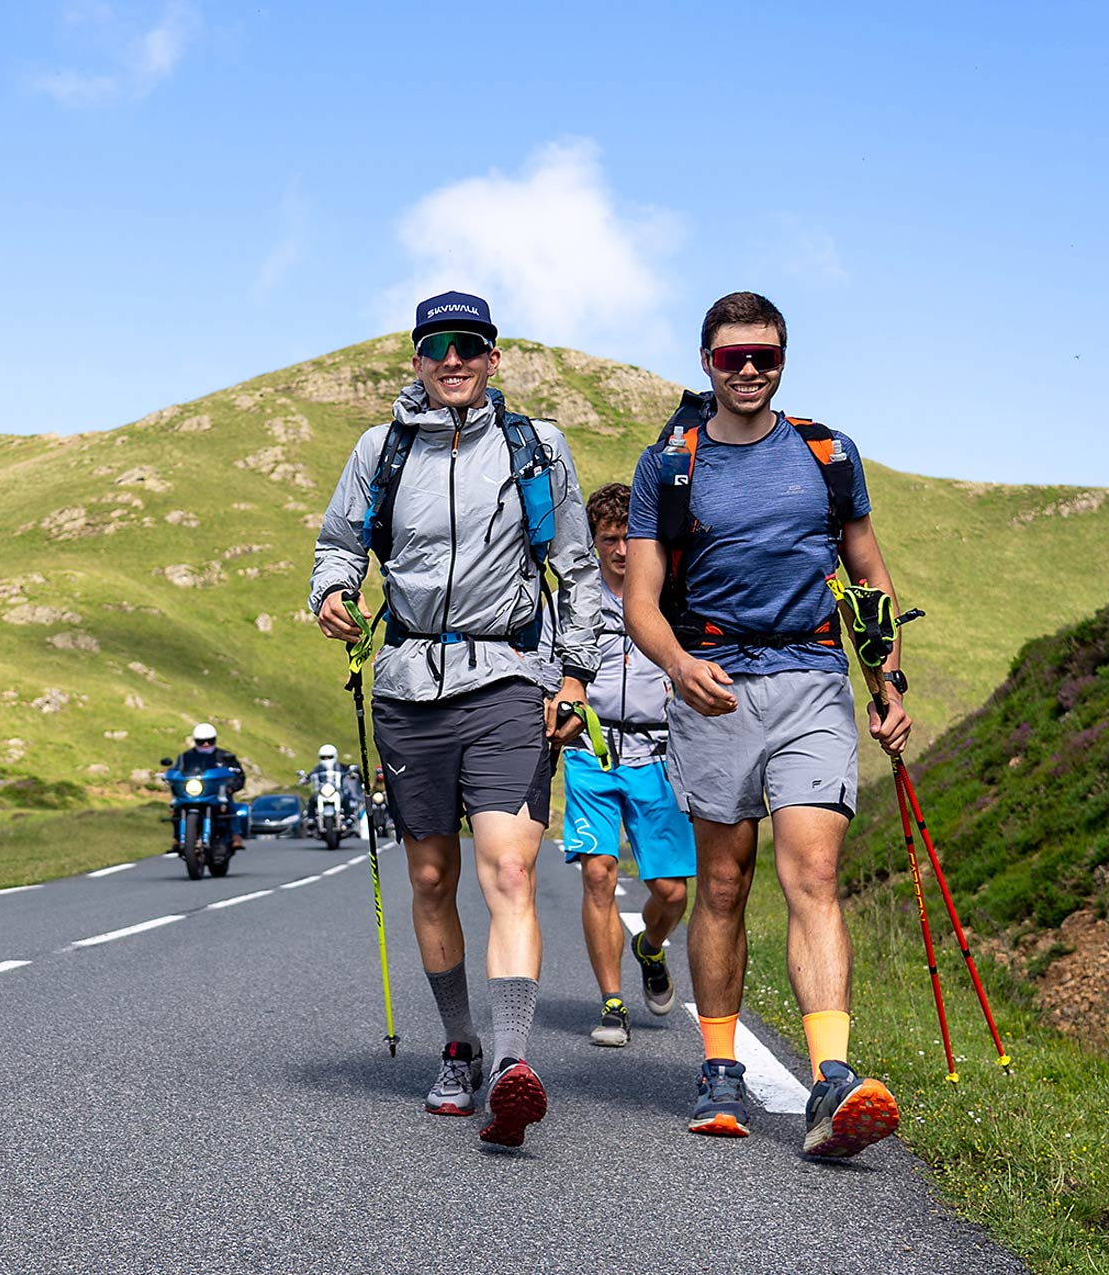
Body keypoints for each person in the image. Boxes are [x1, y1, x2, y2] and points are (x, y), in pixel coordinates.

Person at [311, 290, 605, 1149]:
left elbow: (578, 568)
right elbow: (339, 544)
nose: (453, 360)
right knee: (433, 880)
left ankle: (511, 1063)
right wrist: (332, 590)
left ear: (492, 358)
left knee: (509, 870)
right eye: (437, 346)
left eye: (469, 346)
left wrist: (575, 676)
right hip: (407, 688)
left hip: (510, 679)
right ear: (416, 359)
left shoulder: (535, 446)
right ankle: (460, 1046)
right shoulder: (380, 450)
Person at [623, 291, 912, 1160]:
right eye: (732, 357)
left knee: (813, 874)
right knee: (722, 884)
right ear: (706, 363)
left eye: (765, 356)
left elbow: (869, 576)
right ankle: (720, 1070)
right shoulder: (668, 467)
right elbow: (641, 601)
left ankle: (831, 1079)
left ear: (783, 359)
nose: (749, 369)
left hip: (813, 679)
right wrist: (680, 668)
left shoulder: (828, 453)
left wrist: (888, 683)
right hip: (714, 686)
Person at [558, 482, 694, 1048]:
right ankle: (612, 1003)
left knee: (672, 892)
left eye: (628, 538)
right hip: (591, 753)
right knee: (597, 874)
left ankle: (650, 948)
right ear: (593, 542)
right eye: (608, 539)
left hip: (657, 753)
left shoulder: (670, 595)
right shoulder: (574, 601)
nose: (619, 550)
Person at [169, 722, 246, 851]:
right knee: (176, 807)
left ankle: (235, 835)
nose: (206, 744)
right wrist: (170, 776)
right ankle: (178, 837)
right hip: (193, 792)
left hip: (216, 792)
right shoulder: (185, 757)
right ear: (195, 741)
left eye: (209, 741)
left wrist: (231, 787)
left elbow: (239, 774)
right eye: (201, 742)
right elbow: (176, 771)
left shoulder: (225, 756)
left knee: (228, 802)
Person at [299, 744, 363, 836]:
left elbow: (349, 772)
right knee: (312, 799)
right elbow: (310, 776)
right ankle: (311, 818)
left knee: (345, 797)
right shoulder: (317, 768)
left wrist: (352, 774)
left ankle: (349, 816)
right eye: (324, 757)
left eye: (329, 757)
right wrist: (305, 779)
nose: (327, 760)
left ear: (335, 756)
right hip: (322, 791)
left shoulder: (341, 767)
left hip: (337, 790)